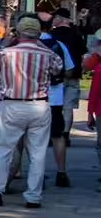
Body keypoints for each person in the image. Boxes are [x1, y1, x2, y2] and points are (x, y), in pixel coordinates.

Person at [0, 17, 58, 209]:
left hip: (12, 105)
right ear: (39, 34)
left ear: (18, 33)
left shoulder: (5, 53)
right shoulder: (47, 54)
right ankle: (33, 196)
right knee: (38, 153)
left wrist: (6, 43)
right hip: (39, 105)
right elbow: (58, 70)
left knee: (3, 150)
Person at [39, 21, 77, 188]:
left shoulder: (26, 45)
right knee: (57, 136)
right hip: (54, 99)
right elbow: (69, 70)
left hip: (33, 98)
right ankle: (61, 172)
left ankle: (28, 172)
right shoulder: (59, 45)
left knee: (30, 137)